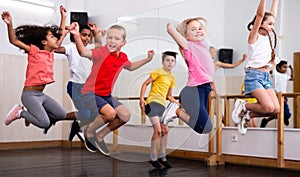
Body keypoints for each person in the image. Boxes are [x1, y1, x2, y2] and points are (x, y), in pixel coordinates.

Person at [67, 22, 154, 155]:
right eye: (110, 38)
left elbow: (131, 67)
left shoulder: (122, 57)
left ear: (123, 43)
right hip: (90, 93)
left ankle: (100, 136)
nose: (112, 41)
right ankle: (89, 131)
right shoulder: (102, 52)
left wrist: (147, 59)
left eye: (116, 38)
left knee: (125, 115)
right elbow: (84, 52)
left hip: (106, 95)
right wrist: (76, 35)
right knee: (110, 114)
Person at [2, 6, 77, 131]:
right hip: (29, 95)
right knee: (44, 123)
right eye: (52, 37)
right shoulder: (34, 51)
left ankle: (31, 114)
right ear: (44, 42)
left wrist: (63, 16)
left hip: (40, 94)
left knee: (61, 115)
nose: (56, 39)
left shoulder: (51, 51)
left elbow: (61, 33)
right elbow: (14, 40)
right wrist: (9, 24)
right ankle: (20, 112)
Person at [55, 8, 105, 144]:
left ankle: (77, 125)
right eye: (84, 35)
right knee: (85, 114)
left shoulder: (91, 49)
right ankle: (77, 126)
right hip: (75, 86)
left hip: (88, 87)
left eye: (89, 36)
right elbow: (55, 47)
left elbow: (99, 44)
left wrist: (97, 33)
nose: (87, 38)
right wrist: (64, 28)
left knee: (96, 113)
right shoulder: (71, 48)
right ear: (77, 35)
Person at [232, 0, 280, 135]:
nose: (272, 27)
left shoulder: (268, 38)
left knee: (275, 109)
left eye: (273, 24)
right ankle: (243, 106)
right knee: (268, 106)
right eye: (269, 24)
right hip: (254, 76)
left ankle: (247, 116)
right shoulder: (254, 37)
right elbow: (260, 15)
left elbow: (273, 15)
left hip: (266, 77)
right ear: (260, 24)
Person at [163, 17, 213, 135]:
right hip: (193, 91)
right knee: (206, 127)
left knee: (204, 128)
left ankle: (177, 111)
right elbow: (171, 31)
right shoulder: (188, 46)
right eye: (193, 29)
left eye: (200, 28)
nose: (198, 31)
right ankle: (176, 111)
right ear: (186, 36)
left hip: (204, 90)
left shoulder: (203, 46)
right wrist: (172, 26)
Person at [140, 51, 179, 169]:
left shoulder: (172, 77)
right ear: (163, 62)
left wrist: (177, 103)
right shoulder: (158, 71)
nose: (170, 63)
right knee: (157, 131)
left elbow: (169, 96)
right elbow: (145, 84)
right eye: (167, 60)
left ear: (175, 63)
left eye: (172, 61)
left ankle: (163, 157)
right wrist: (142, 99)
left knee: (165, 131)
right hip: (152, 103)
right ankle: (152, 157)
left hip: (162, 105)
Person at [260, 60, 294, 127]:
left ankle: (266, 120)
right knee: (285, 113)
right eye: (284, 67)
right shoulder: (275, 74)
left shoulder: (285, 76)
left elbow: (293, 78)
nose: (285, 69)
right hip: (277, 95)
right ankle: (285, 117)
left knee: (278, 112)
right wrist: (271, 63)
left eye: (286, 67)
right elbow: (270, 70)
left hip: (284, 96)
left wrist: (291, 69)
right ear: (278, 67)